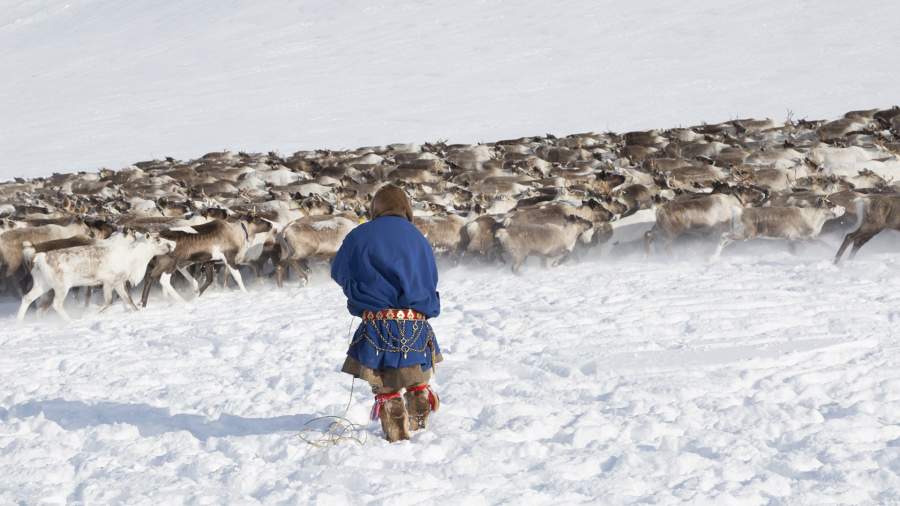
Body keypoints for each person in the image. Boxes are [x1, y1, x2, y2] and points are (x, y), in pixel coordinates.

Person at [331, 185, 442, 442]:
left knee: (386, 382)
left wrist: (358, 291)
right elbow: (430, 280)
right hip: (415, 322)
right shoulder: (418, 238)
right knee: (414, 370)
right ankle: (419, 401)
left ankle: (393, 413)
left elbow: (338, 271)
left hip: (377, 322)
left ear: (376, 208)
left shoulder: (360, 235)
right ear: (406, 208)